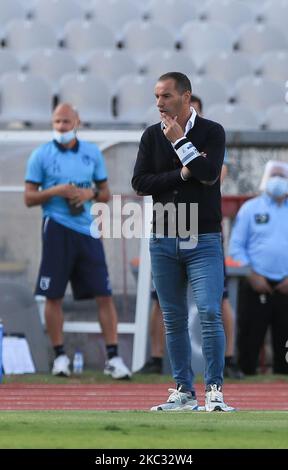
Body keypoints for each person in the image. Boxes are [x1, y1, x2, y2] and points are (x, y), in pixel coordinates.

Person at [132, 72, 235, 411]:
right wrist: (180, 173)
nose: (159, 103)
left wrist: (180, 143)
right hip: (163, 237)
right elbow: (140, 182)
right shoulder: (150, 135)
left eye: (165, 96)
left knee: (208, 311)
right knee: (172, 317)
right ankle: (183, 390)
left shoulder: (213, 132)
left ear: (185, 97)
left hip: (203, 236)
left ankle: (215, 390)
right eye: (156, 96)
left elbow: (208, 175)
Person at [24, 103, 131, 380]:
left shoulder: (92, 153)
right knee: (53, 294)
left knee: (104, 294)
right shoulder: (41, 155)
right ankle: (60, 356)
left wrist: (89, 195)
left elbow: (105, 192)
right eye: (57, 122)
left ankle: (113, 356)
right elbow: (28, 197)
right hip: (57, 227)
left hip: (87, 229)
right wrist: (56, 190)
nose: (61, 127)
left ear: (77, 121)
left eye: (66, 121)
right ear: (52, 122)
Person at [229, 160, 288, 375]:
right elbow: (236, 247)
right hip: (254, 283)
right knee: (249, 339)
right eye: (274, 175)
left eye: (282, 176)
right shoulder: (250, 208)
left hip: (286, 286)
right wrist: (251, 274)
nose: (278, 181)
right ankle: (247, 376)